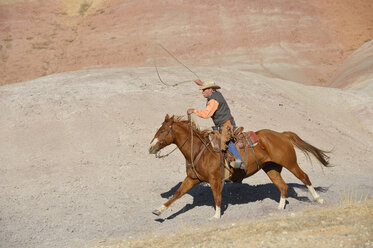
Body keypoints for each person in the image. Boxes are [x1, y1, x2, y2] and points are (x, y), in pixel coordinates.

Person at [187, 79, 243, 169]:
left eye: (204, 90)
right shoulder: (217, 93)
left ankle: (239, 162)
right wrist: (201, 83)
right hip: (226, 122)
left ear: (210, 90)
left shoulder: (213, 100)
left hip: (226, 124)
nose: (202, 92)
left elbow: (206, 114)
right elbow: (214, 89)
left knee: (224, 141)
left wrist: (194, 111)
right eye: (202, 90)